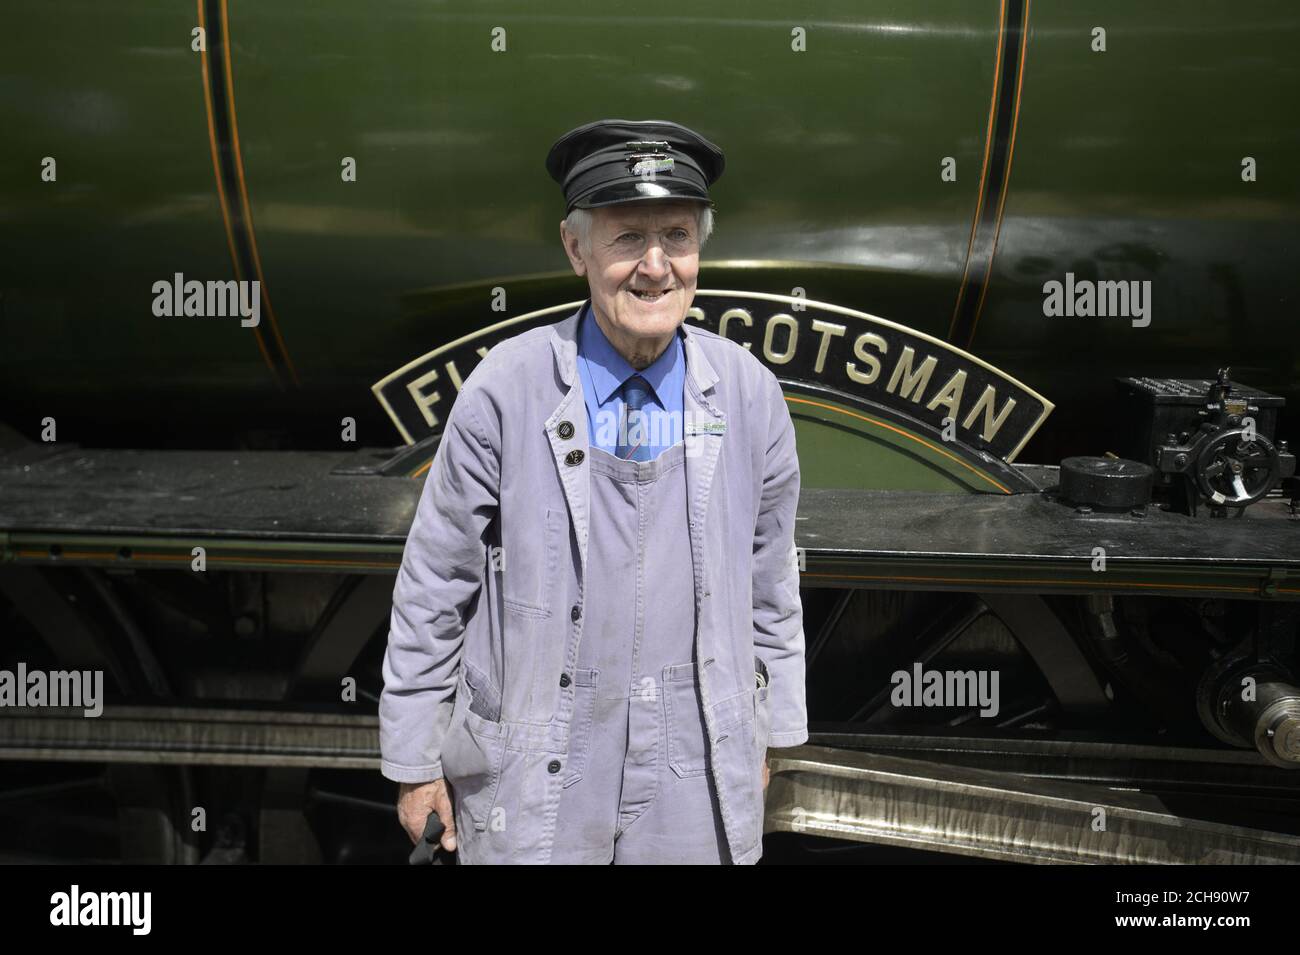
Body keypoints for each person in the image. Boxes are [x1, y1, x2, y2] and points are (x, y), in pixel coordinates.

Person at [379, 119, 807, 864]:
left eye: (676, 235)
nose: (654, 265)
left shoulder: (749, 396)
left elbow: (772, 583)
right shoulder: (506, 390)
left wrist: (767, 737)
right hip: (542, 759)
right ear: (575, 248)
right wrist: (415, 762)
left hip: (693, 765)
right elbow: (434, 582)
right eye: (626, 238)